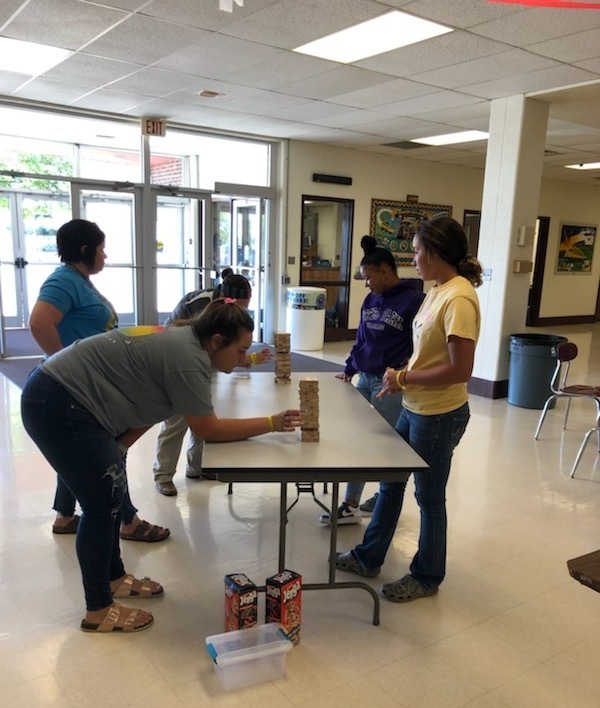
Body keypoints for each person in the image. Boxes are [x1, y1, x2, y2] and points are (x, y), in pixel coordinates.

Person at [21, 300, 302, 633]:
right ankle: (98, 609)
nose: (243, 359)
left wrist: (120, 446)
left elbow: (154, 402)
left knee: (110, 499)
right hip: (58, 400)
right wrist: (271, 422)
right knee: (100, 506)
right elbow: (208, 429)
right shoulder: (188, 359)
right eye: (240, 350)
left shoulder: (189, 342)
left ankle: (113, 579)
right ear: (216, 340)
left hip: (67, 397)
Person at [335, 216, 482, 603]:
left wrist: (406, 380)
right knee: (390, 479)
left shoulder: (459, 298)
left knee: (429, 499)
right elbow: (424, 352)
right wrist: (401, 375)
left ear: (434, 252)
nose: (413, 259)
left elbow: (460, 369)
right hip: (415, 405)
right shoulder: (437, 290)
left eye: (417, 251)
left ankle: (427, 576)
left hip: (439, 413)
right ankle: (369, 557)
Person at [28, 219, 169, 543]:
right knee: (109, 451)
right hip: (81, 388)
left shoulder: (79, 280)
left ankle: (65, 515)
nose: (104, 256)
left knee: (79, 449)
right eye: (101, 249)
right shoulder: (63, 280)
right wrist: (65, 367)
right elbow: (39, 323)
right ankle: (129, 521)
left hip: (91, 384)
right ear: (84, 249)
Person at [318, 235, 424, 525]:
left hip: (388, 383)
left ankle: (376, 496)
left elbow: (423, 343)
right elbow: (362, 339)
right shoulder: (370, 299)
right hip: (365, 378)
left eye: (368, 277)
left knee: (383, 444)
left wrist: (406, 369)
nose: (366, 283)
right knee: (358, 440)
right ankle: (357, 501)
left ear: (385, 271)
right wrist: (350, 368)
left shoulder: (414, 301)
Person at [153, 273, 272, 495]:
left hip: (201, 357)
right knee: (177, 417)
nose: (240, 313)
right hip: (178, 359)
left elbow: (220, 351)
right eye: (238, 307)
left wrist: (244, 358)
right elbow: (208, 349)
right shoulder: (204, 307)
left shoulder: (226, 313)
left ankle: (198, 466)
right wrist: (243, 359)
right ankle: (163, 474)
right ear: (225, 298)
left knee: (204, 411)